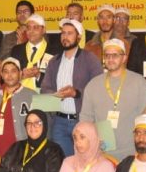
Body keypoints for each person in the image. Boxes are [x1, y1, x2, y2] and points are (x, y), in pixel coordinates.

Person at [40, 18, 103, 155]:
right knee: (63, 161)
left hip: (82, 121)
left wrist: (76, 93)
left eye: (70, 33)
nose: (65, 37)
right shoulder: (54, 61)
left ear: (79, 37)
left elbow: (99, 88)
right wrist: (55, 95)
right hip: (59, 122)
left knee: (85, 159)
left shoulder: (90, 59)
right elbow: (44, 88)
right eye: (63, 33)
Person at [80, 39, 146, 159]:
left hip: (131, 152)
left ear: (124, 58)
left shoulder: (139, 83)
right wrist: (91, 141)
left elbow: (145, 119)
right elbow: (85, 118)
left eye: (115, 55)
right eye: (107, 55)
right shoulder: (93, 84)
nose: (110, 59)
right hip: (100, 153)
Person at [0, 58, 36, 158]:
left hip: (19, 153)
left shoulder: (32, 95)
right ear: (1, 75)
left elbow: (41, 124)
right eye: (6, 72)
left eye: (13, 71)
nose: (9, 75)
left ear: (20, 73)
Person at [10, 14, 60, 91]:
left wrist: (38, 75)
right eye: (28, 28)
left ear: (44, 30)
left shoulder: (54, 51)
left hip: (43, 95)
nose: (31, 31)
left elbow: (57, 78)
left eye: (35, 27)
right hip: (19, 93)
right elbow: (8, 76)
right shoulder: (17, 50)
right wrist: (21, 75)